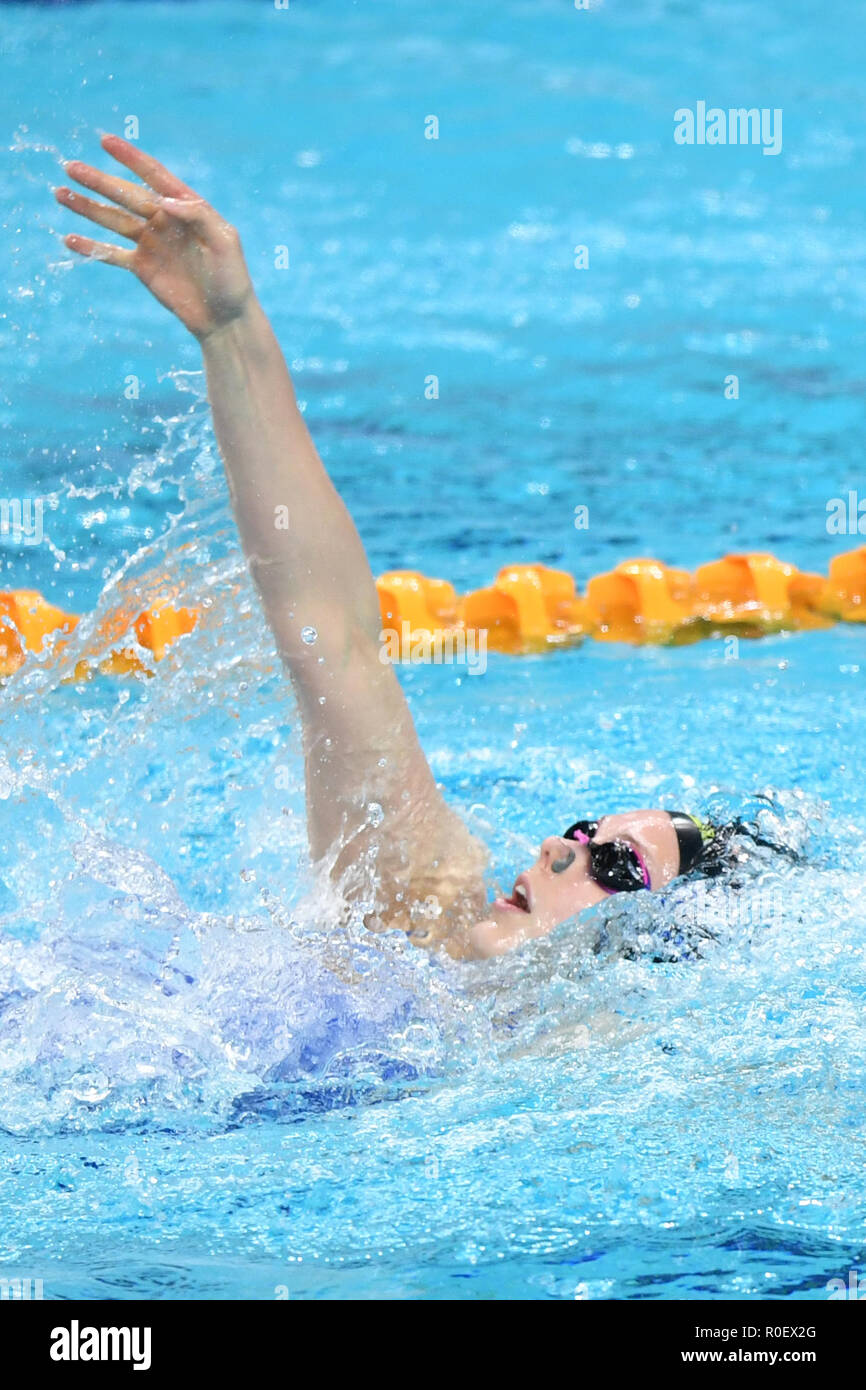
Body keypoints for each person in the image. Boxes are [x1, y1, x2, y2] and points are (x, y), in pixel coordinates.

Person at [54, 135, 732, 962]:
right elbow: (331, 644)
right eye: (585, 834)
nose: (558, 849)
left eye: (613, 865)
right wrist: (232, 332)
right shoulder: (422, 907)